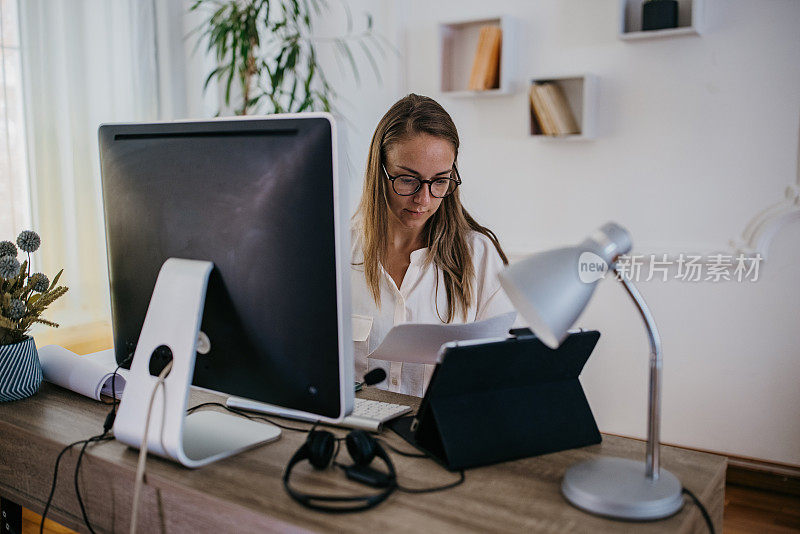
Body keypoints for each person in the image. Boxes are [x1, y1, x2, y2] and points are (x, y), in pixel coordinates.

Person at [351, 93, 516, 397]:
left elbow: (500, 374)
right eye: (407, 180)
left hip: (439, 437)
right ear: (379, 171)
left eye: (440, 181)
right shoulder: (334, 254)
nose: (423, 200)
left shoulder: (479, 257)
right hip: (354, 438)